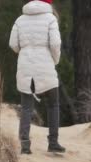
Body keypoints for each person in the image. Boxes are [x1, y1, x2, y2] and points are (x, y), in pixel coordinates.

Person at [9, 0, 65, 154]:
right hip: (45, 64)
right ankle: (53, 143)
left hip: (25, 65)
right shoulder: (50, 18)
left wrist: (25, 51)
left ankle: (25, 146)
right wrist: (55, 60)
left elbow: (13, 44)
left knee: (26, 107)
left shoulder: (20, 20)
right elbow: (55, 44)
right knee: (53, 105)